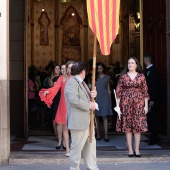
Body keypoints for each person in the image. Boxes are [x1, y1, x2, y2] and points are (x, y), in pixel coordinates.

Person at [64, 61, 99, 170]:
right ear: (82, 71)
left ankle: (92, 167)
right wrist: (90, 105)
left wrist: (93, 95)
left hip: (87, 120)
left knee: (91, 147)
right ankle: (74, 169)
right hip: (78, 122)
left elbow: (87, 99)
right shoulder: (71, 82)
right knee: (76, 149)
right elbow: (74, 100)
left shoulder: (82, 82)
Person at [39, 61, 74, 157]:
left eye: (72, 67)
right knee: (65, 128)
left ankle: (76, 149)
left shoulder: (76, 78)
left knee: (75, 128)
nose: (71, 69)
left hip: (75, 104)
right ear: (67, 69)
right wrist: (48, 91)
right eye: (69, 68)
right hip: (64, 104)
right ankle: (67, 149)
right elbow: (55, 87)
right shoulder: (62, 78)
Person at [116, 57, 149, 157]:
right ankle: (130, 149)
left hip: (139, 104)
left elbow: (145, 92)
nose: (130, 64)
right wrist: (117, 106)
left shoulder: (141, 76)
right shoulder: (123, 77)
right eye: (129, 63)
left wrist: (146, 106)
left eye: (132, 63)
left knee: (138, 126)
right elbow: (118, 92)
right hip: (126, 104)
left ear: (136, 65)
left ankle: (137, 149)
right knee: (128, 127)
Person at [144, 53, 161, 145]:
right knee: (150, 119)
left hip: (152, 100)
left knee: (153, 119)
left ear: (146, 60)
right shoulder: (148, 70)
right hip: (148, 99)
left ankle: (154, 138)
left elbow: (154, 86)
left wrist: (152, 99)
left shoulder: (153, 71)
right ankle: (153, 136)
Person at [95, 62, 112, 142]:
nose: (99, 70)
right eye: (98, 68)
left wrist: (110, 100)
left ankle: (106, 135)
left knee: (105, 116)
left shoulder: (107, 78)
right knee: (97, 116)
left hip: (105, 97)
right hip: (96, 98)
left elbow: (108, 89)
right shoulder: (94, 77)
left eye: (101, 68)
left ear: (103, 69)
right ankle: (98, 134)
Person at [49, 64, 61, 141]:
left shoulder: (61, 78)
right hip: (54, 99)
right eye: (55, 69)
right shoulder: (51, 79)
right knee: (54, 117)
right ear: (53, 70)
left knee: (58, 117)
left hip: (60, 98)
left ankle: (59, 135)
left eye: (58, 68)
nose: (57, 70)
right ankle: (56, 135)